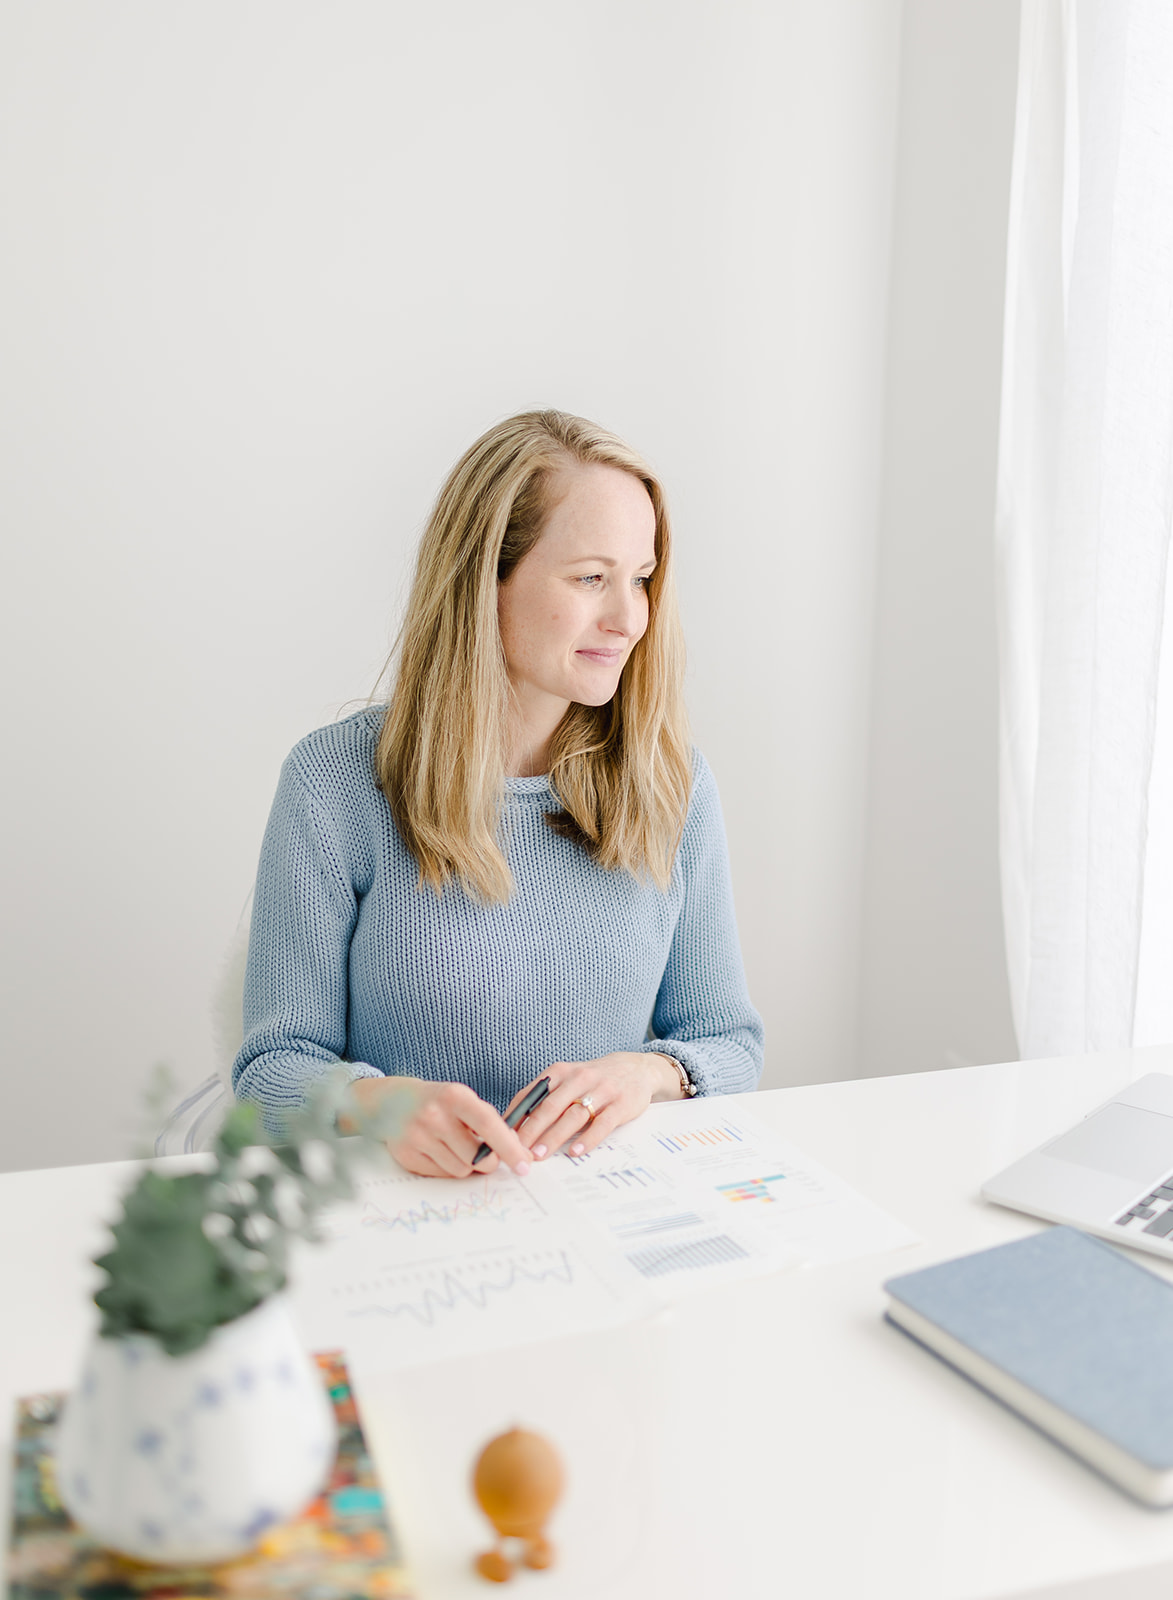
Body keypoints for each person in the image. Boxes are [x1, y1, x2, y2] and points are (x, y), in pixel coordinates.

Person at [233, 410, 763, 1176]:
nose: (627, 619)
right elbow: (271, 1070)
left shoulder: (673, 784)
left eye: (640, 579)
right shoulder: (335, 783)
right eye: (590, 578)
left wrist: (646, 1073)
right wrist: (381, 1107)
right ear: (487, 578)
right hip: (407, 1223)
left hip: (602, 1212)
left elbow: (728, 1043)